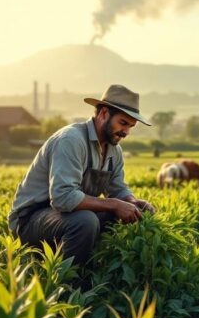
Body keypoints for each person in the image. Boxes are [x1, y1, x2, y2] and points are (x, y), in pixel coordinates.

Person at [8, 84, 157, 265]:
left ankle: (99, 268)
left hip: (65, 216)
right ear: (103, 114)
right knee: (86, 221)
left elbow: (118, 188)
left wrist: (132, 202)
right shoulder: (71, 140)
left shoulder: (113, 150)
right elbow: (63, 198)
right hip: (31, 220)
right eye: (123, 123)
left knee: (131, 213)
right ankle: (69, 285)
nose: (126, 132)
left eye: (131, 126)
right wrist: (114, 204)